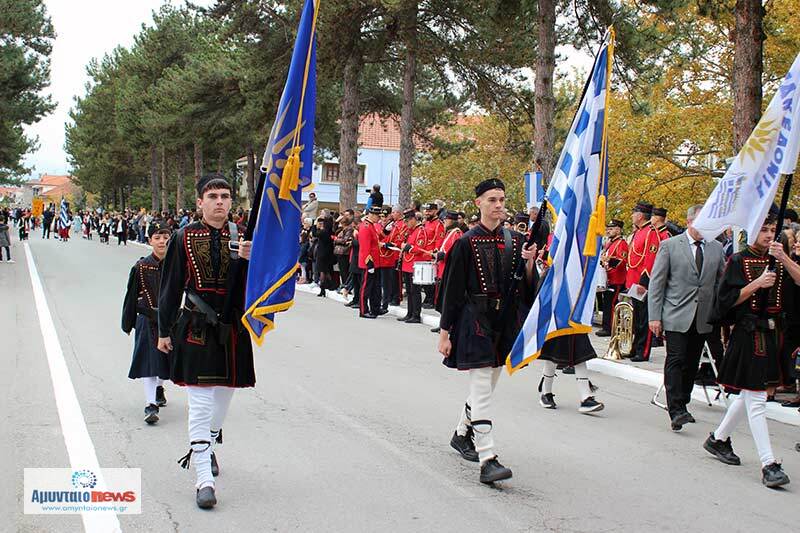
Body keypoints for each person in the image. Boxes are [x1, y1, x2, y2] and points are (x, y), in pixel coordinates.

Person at [157, 174, 254, 509]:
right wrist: (163, 330)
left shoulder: (245, 237)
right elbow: (169, 287)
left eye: (225, 196)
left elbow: (260, 284)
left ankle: (208, 447)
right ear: (200, 202)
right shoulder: (183, 237)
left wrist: (250, 260)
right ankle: (203, 479)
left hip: (233, 331)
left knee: (222, 404)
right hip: (196, 326)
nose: (219, 202)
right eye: (212, 196)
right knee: (199, 404)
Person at [437, 178, 538, 484]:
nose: (498, 205)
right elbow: (451, 291)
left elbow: (526, 288)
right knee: (482, 388)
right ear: (479, 203)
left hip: (503, 322)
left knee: (487, 387)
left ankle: (460, 434)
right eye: (492, 199)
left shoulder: (515, 241)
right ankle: (488, 458)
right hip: (474, 322)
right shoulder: (465, 242)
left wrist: (531, 265)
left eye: (502, 199)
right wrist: (445, 332)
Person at [703, 210, 800, 488]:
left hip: (774, 334)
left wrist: (783, 258)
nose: (769, 235)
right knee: (757, 398)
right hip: (748, 334)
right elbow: (724, 303)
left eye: (772, 230)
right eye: (764, 230)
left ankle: (718, 439)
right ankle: (769, 463)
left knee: (748, 394)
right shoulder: (737, 260)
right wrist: (756, 284)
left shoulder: (780, 259)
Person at [647, 205, 726, 431]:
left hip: (702, 317)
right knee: (676, 359)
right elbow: (657, 284)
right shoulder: (670, 246)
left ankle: (683, 402)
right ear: (689, 222)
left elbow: (720, 282)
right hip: (675, 314)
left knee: (691, 363)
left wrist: (719, 310)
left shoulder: (716, 247)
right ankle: (676, 409)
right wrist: (655, 317)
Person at [121, 220, 172, 424]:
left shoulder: (176, 265)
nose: (161, 242)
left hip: (170, 320)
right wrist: (128, 322)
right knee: (149, 362)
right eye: (157, 238)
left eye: (165, 237)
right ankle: (151, 404)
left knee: (165, 360)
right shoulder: (141, 267)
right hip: (146, 319)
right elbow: (131, 295)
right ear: (149, 240)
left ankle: (160, 387)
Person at [626, 201, 663, 362]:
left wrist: (644, 281)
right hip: (633, 279)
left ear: (640, 215)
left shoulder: (651, 232)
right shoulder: (639, 232)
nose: (632, 216)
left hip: (642, 281)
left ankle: (644, 350)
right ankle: (636, 347)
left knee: (644, 319)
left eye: (634, 213)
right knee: (637, 318)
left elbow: (651, 258)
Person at [597, 220, 627, 336]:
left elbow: (622, 261)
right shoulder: (610, 243)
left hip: (616, 279)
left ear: (618, 230)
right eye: (608, 229)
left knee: (612, 304)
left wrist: (608, 261)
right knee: (607, 303)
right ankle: (606, 326)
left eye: (611, 228)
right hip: (608, 277)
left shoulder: (621, 243)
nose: (608, 231)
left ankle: (609, 328)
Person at [398, 211, 429, 324]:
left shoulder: (421, 231)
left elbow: (420, 247)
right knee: (410, 291)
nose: (406, 224)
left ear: (413, 219)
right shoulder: (410, 231)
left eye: (407, 221)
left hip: (415, 264)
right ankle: (410, 313)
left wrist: (408, 248)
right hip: (407, 264)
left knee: (415, 291)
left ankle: (416, 314)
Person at [378, 207, 406, 310]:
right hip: (389, 254)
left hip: (396, 253)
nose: (392, 214)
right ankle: (390, 296)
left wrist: (388, 244)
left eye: (394, 212)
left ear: (399, 213)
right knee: (390, 278)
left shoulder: (402, 224)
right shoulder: (393, 224)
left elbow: (400, 239)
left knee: (396, 278)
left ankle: (396, 297)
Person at [357, 207, 382, 318]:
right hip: (369, 262)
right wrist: (369, 263)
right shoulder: (366, 227)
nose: (379, 218)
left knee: (374, 287)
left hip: (375, 261)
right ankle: (363, 310)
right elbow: (365, 247)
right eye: (377, 215)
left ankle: (374, 308)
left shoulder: (370, 225)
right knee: (366, 288)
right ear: (371, 214)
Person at [422, 203, 445, 309]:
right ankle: (427, 297)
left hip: (431, 255)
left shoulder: (438, 224)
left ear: (436, 211)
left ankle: (431, 299)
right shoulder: (426, 223)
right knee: (424, 280)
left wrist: (434, 254)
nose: (427, 213)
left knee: (431, 281)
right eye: (426, 211)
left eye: (429, 211)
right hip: (423, 254)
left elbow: (439, 240)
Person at [313, 216, 335, 297]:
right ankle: (331, 284)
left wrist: (315, 225)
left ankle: (323, 289)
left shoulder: (323, 232)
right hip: (329, 253)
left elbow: (315, 234)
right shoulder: (331, 232)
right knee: (326, 271)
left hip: (321, 253)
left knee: (322, 271)